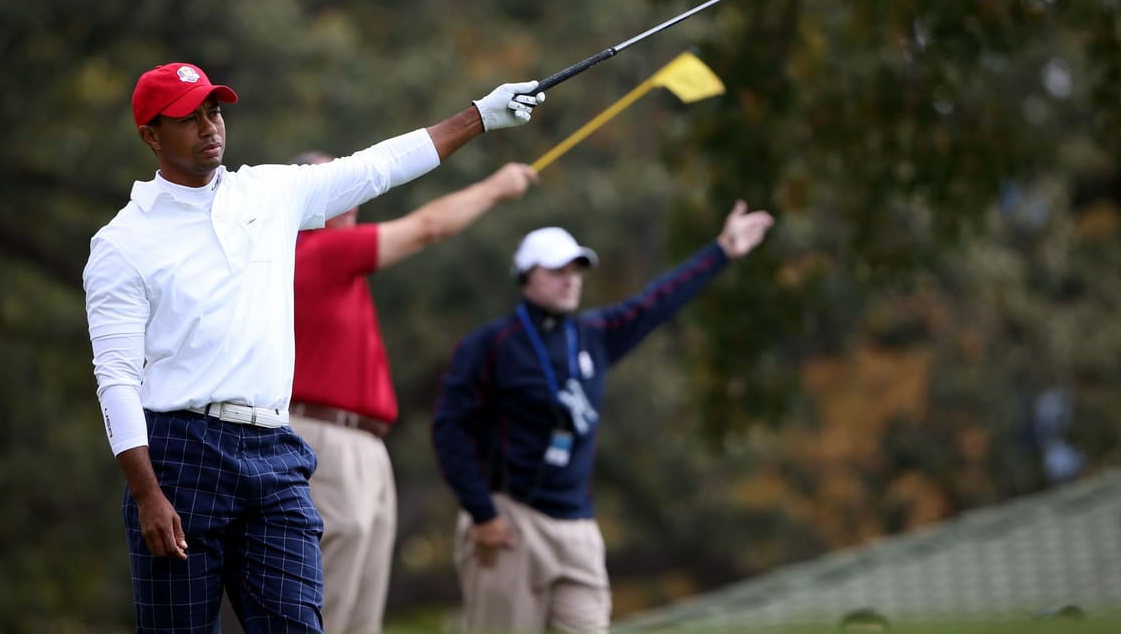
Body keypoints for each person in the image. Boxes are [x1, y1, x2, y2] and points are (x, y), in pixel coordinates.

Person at [83, 61, 543, 633]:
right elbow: (117, 379)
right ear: (151, 135)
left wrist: (479, 117)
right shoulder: (122, 243)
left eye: (214, 111)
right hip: (180, 459)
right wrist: (146, 492)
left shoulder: (271, 192)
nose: (209, 128)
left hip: (275, 450)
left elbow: (376, 168)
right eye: (187, 119)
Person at [430, 203, 775, 634]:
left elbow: (656, 302)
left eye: (577, 269)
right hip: (509, 522)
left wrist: (722, 250)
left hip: (578, 528)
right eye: (558, 270)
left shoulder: (593, 335)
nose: (571, 279)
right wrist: (482, 513)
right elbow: (449, 430)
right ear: (527, 275)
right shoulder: (490, 345)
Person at [288, 157, 538, 634]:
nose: (354, 198)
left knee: (361, 615)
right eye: (339, 187)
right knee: (329, 607)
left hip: (361, 445)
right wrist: (495, 188)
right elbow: (427, 227)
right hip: (326, 442)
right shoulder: (317, 250)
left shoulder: (330, 257)